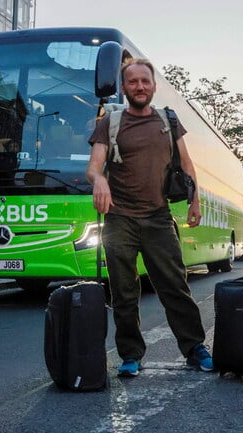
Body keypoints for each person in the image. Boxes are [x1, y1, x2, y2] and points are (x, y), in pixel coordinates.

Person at [86, 58, 213, 377]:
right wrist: (99, 180)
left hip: (159, 218)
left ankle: (194, 347)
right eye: (133, 82)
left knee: (174, 286)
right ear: (125, 87)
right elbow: (94, 165)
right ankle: (130, 354)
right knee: (123, 290)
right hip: (120, 220)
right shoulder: (110, 123)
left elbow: (186, 164)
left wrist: (194, 200)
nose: (139, 87)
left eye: (145, 81)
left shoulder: (168, 120)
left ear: (154, 86)